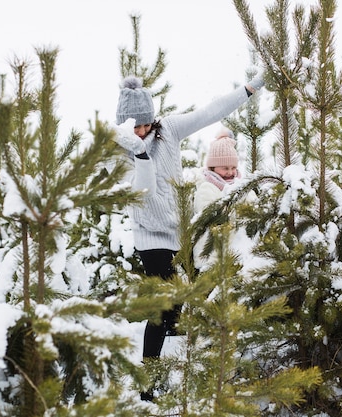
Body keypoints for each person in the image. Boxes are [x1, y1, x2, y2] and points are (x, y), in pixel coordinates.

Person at [111, 73, 264, 401]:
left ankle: (186, 367)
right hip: (151, 237)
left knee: (181, 307)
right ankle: (147, 384)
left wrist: (248, 89)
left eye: (144, 124)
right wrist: (139, 153)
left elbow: (210, 111)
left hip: (180, 232)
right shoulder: (120, 150)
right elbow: (143, 191)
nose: (140, 131)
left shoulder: (169, 130)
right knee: (163, 307)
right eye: (133, 127)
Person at [192, 127, 243, 270]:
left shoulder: (240, 186)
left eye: (233, 167)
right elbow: (213, 217)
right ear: (213, 168)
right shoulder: (206, 188)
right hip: (210, 258)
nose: (230, 172)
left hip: (234, 256)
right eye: (225, 168)